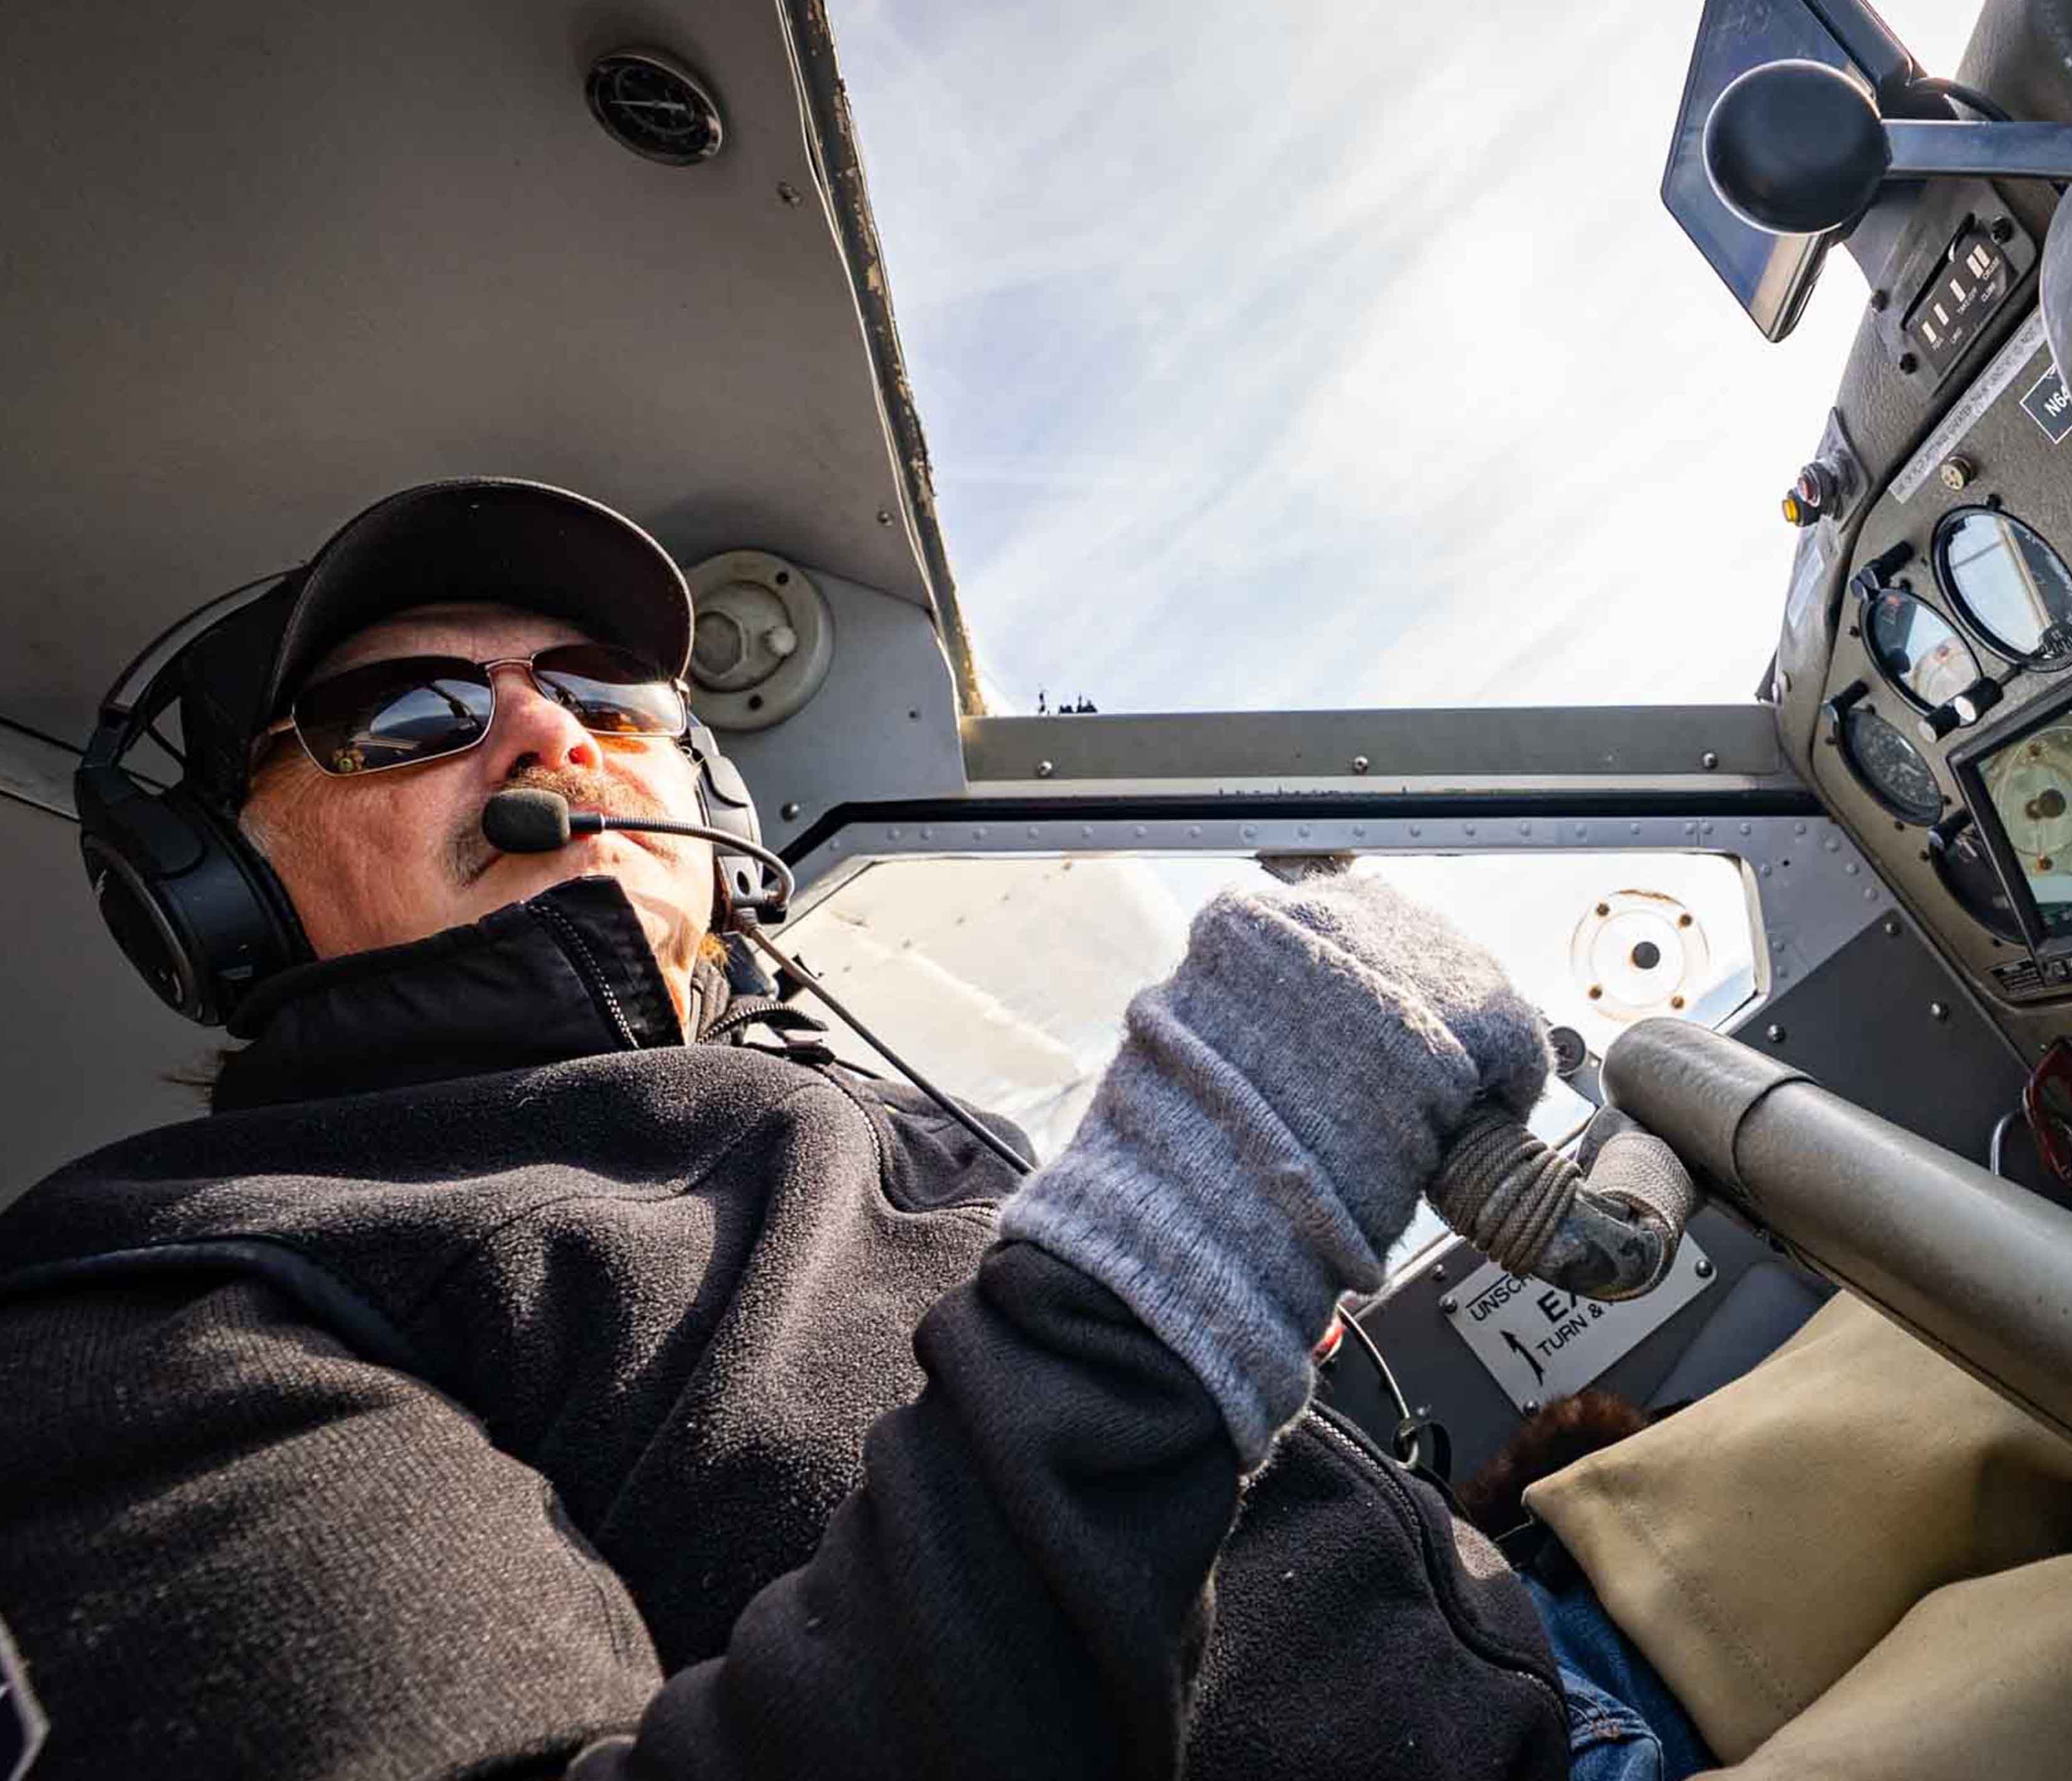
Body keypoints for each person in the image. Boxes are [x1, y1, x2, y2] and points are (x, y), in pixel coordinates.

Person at [0, 479, 1674, 1779]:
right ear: (211, 891)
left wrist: (1469, 1541)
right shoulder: (159, 1293)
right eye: (414, 716)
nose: (546, 733)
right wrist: (1194, 1251)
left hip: (1551, 1648)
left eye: (608, 693)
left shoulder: (828, 1100)